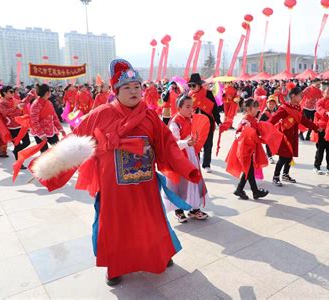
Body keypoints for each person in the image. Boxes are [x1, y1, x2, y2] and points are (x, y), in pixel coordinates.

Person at [31, 59, 201, 286]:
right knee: (115, 225)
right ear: (116, 91)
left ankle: (159, 254)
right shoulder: (100, 114)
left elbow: (168, 144)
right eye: (127, 88)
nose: (133, 91)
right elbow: (76, 141)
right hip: (113, 186)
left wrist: (187, 168)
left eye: (137, 87)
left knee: (150, 219)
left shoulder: (151, 117)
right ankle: (116, 266)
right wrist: (51, 168)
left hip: (144, 184)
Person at [164, 94, 208, 223]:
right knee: (180, 184)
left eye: (192, 107)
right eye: (187, 107)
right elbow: (173, 143)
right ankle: (179, 210)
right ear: (179, 108)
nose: (191, 110)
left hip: (191, 154)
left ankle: (194, 209)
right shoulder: (175, 123)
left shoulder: (191, 119)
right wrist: (186, 143)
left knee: (193, 182)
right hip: (179, 156)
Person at [269, 86, 318, 187]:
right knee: (283, 158)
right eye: (300, 96)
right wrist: (264, 127)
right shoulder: (285, 108)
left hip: (293, 135)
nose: (301, 98)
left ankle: (285, 174)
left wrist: (315, 127)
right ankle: (276, 176)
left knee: (289, 157)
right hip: (285, 137)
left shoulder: (297, 108)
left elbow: (304, 121)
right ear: (293, 96)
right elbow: (274, 118)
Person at [227, 98, 269, 200]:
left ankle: (243, 190)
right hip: (244, 150)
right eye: (255, 107)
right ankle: (252, 191)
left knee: (249, 170)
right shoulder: (245, 120)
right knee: (249, 169)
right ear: (249, 109)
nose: (258, 109)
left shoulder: (253, 119)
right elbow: (238, 134)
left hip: (250, 150)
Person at [188, 73, 221, 173]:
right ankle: (195, 163)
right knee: (195, 144)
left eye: (194, 85)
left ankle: (206, 164)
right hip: (194, 124)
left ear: (199, 85)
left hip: (208, 123)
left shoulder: (208, 94)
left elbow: (215, 109)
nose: (192, 87)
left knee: (208, 144)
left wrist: (218, 121)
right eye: (190, 85)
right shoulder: (189, 96)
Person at [0, 85, 30, 163]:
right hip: (12, 127)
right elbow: (6, 112)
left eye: (13, 91)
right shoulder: (1, 103)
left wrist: (29, 96)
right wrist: (17, 108)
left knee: (27, 142)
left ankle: (16, 151)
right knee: (17, 144)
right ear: (4, 93)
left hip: (21, 125)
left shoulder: (14, 100)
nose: (13, 93)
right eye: (11, 92)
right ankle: (19, 162)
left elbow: (22, 103)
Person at [30, 84, 66, 153]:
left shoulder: (49, 102)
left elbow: (54, 117)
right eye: (50, 91)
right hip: (40, 133)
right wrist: (41, 134)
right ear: (47, 93)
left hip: (50, 130)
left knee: (58, 150)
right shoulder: (36, 104)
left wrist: (60, 129)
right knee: (44, 154)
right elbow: (34, 121)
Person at [258, 95, 278, 164]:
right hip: (266, 132)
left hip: (272, 131)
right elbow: (259, 122)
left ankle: (268, 154)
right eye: (270, 103)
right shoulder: (264, 113)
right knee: (268, 143)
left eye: (273, 104)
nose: (271, 105)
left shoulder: (275, 112)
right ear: (267, 104)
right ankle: (269, 156)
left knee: (272, 144)